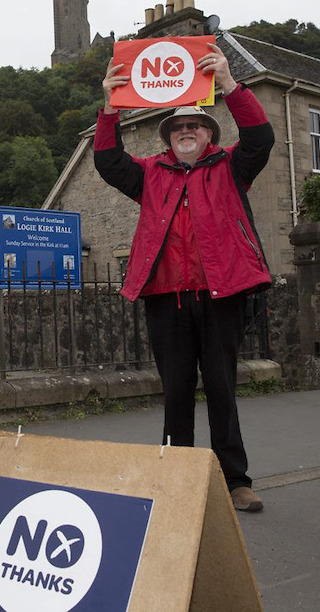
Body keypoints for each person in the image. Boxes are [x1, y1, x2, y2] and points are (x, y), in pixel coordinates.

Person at [94, 42, 274, 512]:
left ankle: (235, 481)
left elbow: (261, 139)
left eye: (194, 124)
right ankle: (175, 478)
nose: (186, 131)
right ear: (168, 136)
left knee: (221, 388)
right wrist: (110, 108)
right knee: (175, 391)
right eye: (178, 127)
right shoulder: (150, 173)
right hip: (166, 297)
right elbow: (108, 162)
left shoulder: (231, 167)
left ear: (208, 133)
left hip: (221, 296)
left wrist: (231, 84)